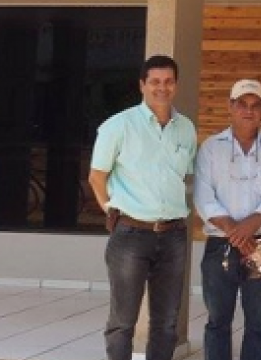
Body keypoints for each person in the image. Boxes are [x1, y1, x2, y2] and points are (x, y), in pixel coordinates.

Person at [88, 55, 198, 360]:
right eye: (155, 82)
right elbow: (97, 176)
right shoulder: (118, 126)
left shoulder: (186, 129)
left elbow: (185, 175)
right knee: (123, 323)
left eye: (168, 82)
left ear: (176, 85)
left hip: (174, 234)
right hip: (131, 235)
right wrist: (110, 209)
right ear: (142, 85)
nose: (161, 88)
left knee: (166, 324)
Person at [194, 79, 261, 360]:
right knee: (218, 320)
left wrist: (250, 226)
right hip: (220, 244)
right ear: (230, 107)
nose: (248, 111)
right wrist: (235, 232)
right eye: (242, 104)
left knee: (258, 320)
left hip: (259, 244)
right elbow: (203, 195)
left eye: (255, 105)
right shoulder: (212, 148)